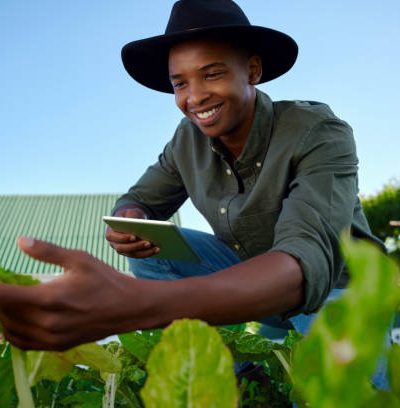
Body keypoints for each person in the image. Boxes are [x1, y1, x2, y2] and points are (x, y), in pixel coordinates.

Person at [0, 0, 382, 356]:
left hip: (337, 289)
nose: (194, 97)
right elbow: (139, 199)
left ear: (252, 70)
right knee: (157, 248)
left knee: (341, 394)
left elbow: (306, 257)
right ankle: (224, 367)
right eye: (179, 83)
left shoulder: (319, 131)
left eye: (211, 74)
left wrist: (136, 304)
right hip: (246, 284)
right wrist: (130, 219)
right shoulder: (187, 140)